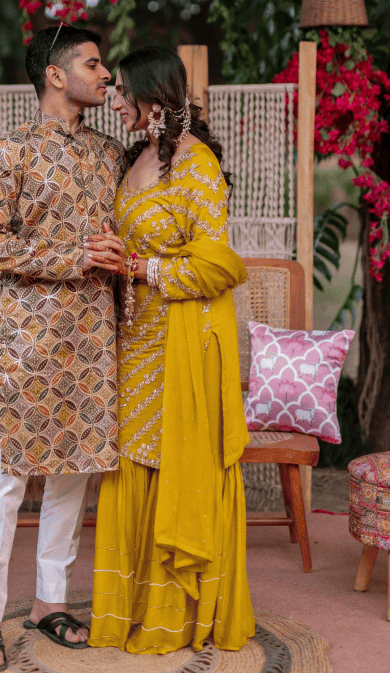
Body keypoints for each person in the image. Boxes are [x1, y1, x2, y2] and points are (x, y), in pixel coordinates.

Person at [0, 25, 127, 670]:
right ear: (57, 76)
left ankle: (49, 603)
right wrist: (73, 255)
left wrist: (117, 257)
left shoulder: (112, 154)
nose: (106, 72)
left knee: (74, 475)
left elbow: (125, 232)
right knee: (6, 482)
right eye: (93, 63)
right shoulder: (12, 152)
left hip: (93, 337)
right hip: (25, 341)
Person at [88, 45, 255, 655]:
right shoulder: (132, 159)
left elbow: (217, 265)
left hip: (186, 338)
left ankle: (180, 616)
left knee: (176, 460)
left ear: (154, 94)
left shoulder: (197, 164)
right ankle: (134, 609)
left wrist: (137, 264)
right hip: (133, 339)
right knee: (133, 459)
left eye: (123, 89)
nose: (114, 99)